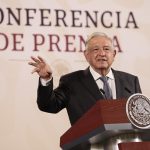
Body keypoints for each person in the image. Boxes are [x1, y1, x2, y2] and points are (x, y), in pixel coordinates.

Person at [28, 32, 142, 150]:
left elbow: (140, 119)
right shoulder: (71, 81)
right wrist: (46, 79)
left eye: (106, 49)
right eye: (95, 49)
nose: (102, 53)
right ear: (86, 55)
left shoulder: (131, 81)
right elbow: (48, 105)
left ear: (114, 54)